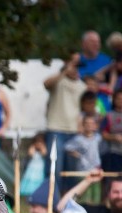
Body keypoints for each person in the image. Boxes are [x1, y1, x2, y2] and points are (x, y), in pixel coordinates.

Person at [44, 53, 87, 189]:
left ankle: (69, 199)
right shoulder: (58, 81)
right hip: (55, 129)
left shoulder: (83, 86)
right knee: (54, 168)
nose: (74, 68)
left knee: (72, 170)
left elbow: (84, 110)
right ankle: (52, 198)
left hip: (75, 131)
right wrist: (64, 71)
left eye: (76, 65)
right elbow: (46, 83)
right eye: (72, 64)